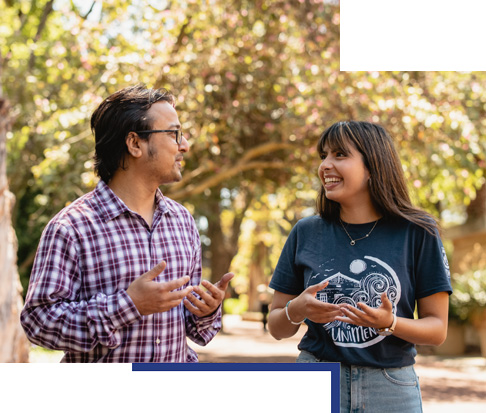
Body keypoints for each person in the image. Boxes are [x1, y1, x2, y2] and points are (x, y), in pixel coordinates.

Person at [21, 84, 234, 363]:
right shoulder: (71, 227)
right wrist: (128, 305)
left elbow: (193, 328)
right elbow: (38, 322)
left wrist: (205, 310)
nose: (184, 145)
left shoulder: (182, 221)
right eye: (173, 133)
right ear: (134, 143)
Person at [267, 121, 452, 412]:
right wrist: (297, 309)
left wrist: (388, 323)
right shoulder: (305, 231)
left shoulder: (418, 231)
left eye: (340, 154)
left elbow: (437, 329)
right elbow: (276, 327)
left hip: (391, 388)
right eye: (324, 155)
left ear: (373, 166)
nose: (325, 165)